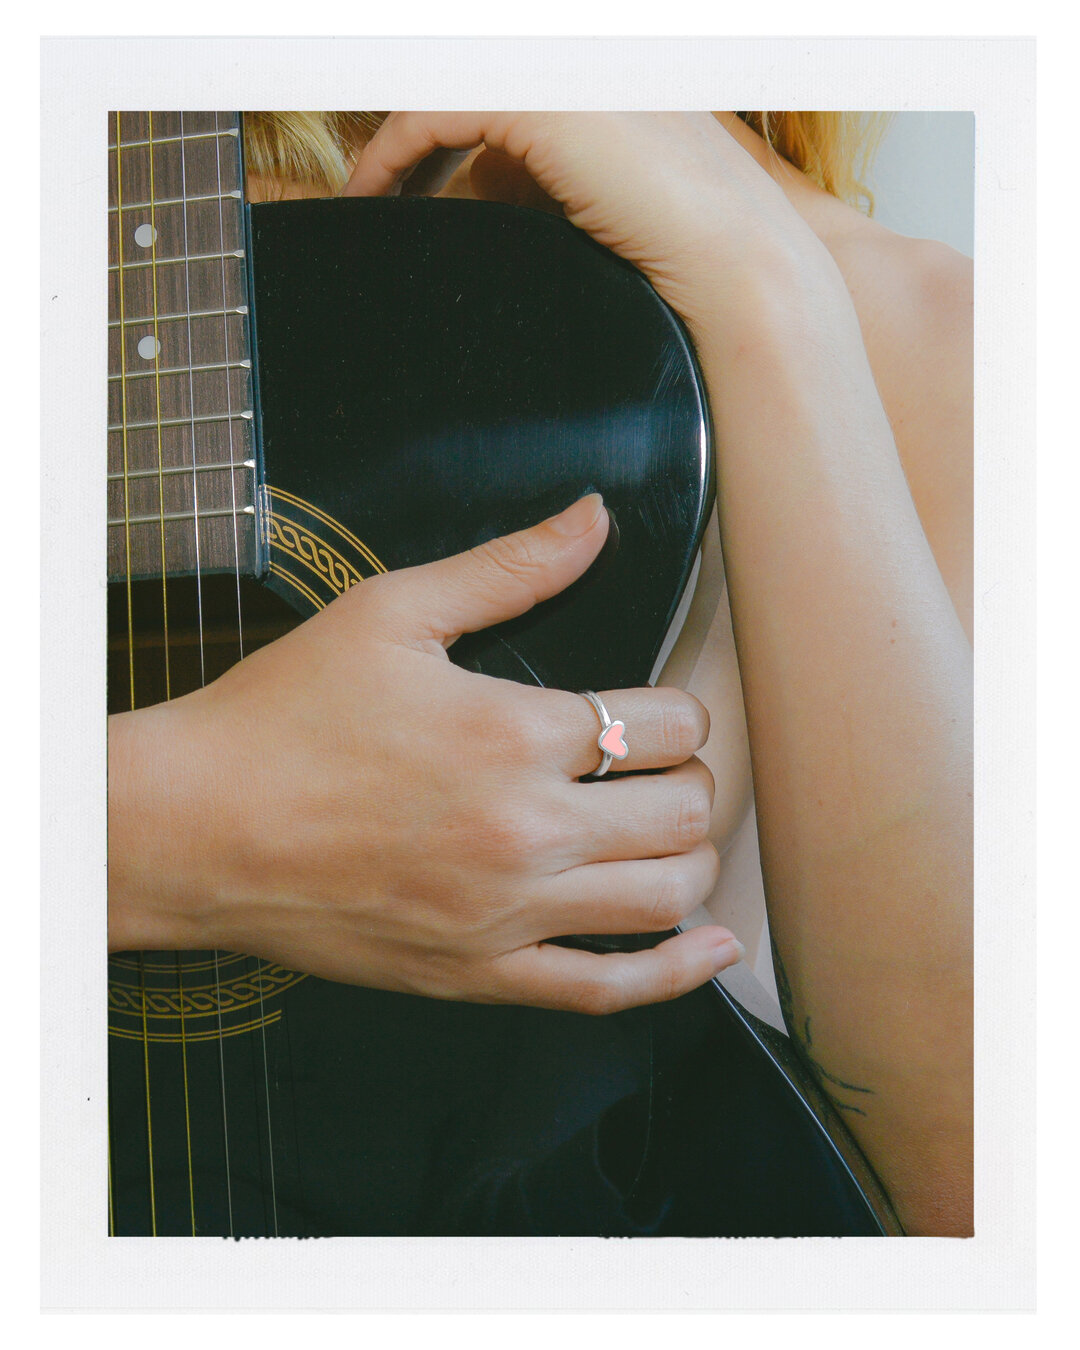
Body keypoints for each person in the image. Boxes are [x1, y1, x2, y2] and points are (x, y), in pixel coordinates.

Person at [108, 111, 972, 1237]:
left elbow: (983, 1222)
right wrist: (160, 824)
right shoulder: (101, 252)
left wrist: (767, 292)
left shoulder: (940, 349)